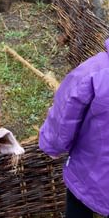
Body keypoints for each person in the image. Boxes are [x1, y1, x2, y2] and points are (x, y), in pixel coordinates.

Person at [39, 38, 109, 218]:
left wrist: (51, 145)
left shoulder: (95, 71)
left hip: (90, 174)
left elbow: (64, 115)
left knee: (78, 206)